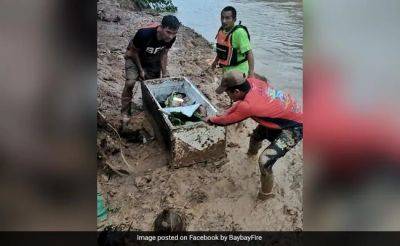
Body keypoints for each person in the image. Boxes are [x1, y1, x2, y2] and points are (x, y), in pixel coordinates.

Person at [204, 70, 303, 200]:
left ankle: (265, 195)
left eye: (228, 93)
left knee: (264, 161)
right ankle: (251, 156)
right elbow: (239, 103)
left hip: (296, 127)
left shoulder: (248, 106)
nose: (228, 96)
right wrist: (228, 110)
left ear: (236, 92)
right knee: (255, 137)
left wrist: (210, 119)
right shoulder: (252, 81)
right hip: (284, 114)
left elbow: (225, 121)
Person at [121, 15, 180, 128]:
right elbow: (133, 52)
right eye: (168, 32)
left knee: (153, 87)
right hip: (134, 58)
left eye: (174, 33)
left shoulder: (170, 39)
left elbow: (164, 54)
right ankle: (125, 112)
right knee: (130, 82)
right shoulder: (144, 34)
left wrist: (164, 72)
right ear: (161, 28)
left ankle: (149, 110)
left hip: (152, 60)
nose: (171, 36)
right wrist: (140, 70)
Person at [211, 6, 254, 77]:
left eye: (227, 18)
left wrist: (251, 73)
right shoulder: (221, 32)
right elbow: (221, 50)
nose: (224, 21)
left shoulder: (239, 33)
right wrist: (215, 62)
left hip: (240, 71)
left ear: (234, 19)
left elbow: (249, 53)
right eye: (222, 17)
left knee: (225, 85)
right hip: (226, 70)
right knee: (226, 81)